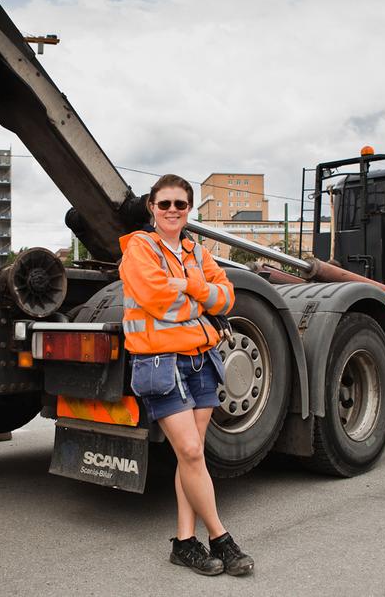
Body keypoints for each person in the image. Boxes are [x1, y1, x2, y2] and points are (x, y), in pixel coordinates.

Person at [118, 174, 255, 577]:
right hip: (160, 363)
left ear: (189, 209)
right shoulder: (138, 248)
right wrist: (201, 300)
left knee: (187, 454)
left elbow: (227, 295)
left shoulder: (198, 252)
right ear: (152, 208)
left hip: (199, 360)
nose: (173, 210)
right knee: (193, 453)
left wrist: (189, 285)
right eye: (165, 204)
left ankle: (183, 542)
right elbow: (161, 302)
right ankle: (220, 537)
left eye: (180, 204)